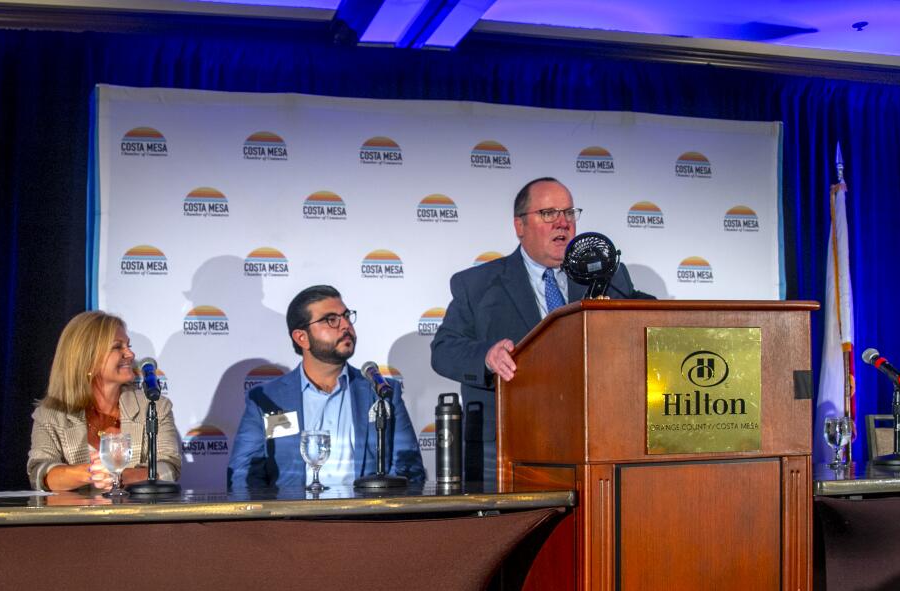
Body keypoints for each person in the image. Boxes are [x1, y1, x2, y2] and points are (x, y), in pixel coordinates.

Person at [430, 177, 651, 480]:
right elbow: (443, 351)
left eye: (569, 213)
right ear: (519, 226)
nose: (562, 223)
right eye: (548, 214)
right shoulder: (477, 285)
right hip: (507, 447)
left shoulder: (608, 277)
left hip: (592, 443)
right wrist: (486, 356)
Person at [228, 285, 425, 489]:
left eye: (346, 316)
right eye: (331, 319)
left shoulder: (381, 393)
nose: (345, 325)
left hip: (365, 516)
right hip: (293, 518)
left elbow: (409, 468)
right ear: (301, 337)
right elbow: (243, 476)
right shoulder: (268, 399)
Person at [28, 311, 181, 491]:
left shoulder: (155, 406)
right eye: (118, 347)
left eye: (128, 346)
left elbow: (169, 469)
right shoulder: (51, 414)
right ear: (88, 358)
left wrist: (119, 477)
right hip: (77, 518)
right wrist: (92, 473)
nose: (130, 354)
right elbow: (39, 474)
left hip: (136, 516)